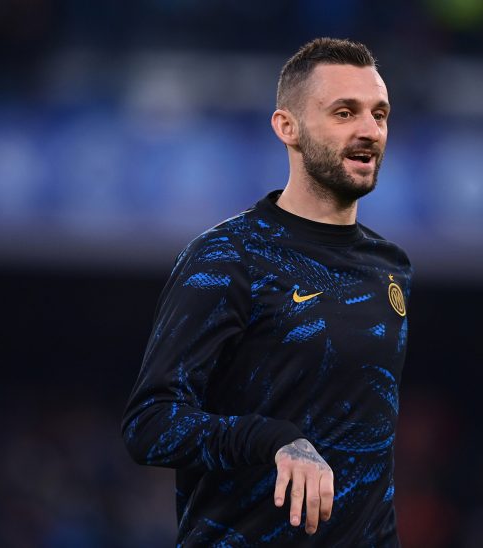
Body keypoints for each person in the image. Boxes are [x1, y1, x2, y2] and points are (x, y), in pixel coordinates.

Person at [122, 37, 411, 546]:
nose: (369, 130)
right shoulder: (228, 257)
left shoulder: (390, 268)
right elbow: (150, 424)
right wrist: (272, 440)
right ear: (287, 127)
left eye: (379, 114)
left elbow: (371, 451)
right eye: (344, 113)